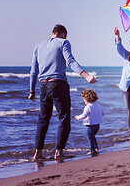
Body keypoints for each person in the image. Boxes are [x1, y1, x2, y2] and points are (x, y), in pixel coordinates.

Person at [28, 24, 97, 161]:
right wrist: (86, 75)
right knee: (64, 118)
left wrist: (31, 90)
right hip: (58, 83)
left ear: (53, 33)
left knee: (43, 119)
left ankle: (38, 153)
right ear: (63, 34)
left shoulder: (38, 46)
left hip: (43, 86)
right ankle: (59, 152)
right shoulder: (64, 42)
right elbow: (70, 61)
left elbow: (34, 71)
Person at [75, 88, 104, 155]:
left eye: (84, 100)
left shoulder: (88, 107)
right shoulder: (98, 105)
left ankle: (92, 150)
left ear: (87, 99)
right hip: (97, 125)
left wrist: (78, 117)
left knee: (89, 137)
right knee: (93, 136)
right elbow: (102, 113)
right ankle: (96, 147)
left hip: (90, 125)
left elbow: (84, 115)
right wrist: (97, 117)